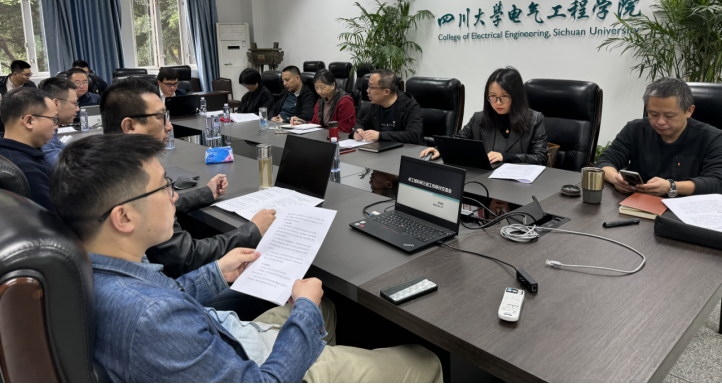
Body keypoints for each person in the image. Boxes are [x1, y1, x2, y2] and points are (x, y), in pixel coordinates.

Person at [51, 133, 443, 384]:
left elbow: (164, 294)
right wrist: (304, 309)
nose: (175, 196)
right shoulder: (152, 319)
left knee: (328, 309)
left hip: (223, 341)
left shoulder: (92, 267)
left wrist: (216, 272)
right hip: (254, 368)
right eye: (164, 188)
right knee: (424, 361)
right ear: (123, 217)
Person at [100, 77, 276, 280]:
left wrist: (206, 193)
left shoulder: (109, 164)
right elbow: (186, 258)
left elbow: (157, 205)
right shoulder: (133, 179)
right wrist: (252, 230)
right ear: (129, 126)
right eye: (161, 117)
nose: (169, 126)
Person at [597, 77, 722, 197]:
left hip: (686, 206)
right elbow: (606, 160)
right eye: (653, 114)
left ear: (689, 111)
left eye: (669, 116)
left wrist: (671, 186)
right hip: (639, 202)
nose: (660, 122)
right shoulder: (635, 129)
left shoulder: (713, 138)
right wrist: (615, 178)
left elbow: (717, 182)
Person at [420, 67, 548, 166]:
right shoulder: (478, 119)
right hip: (484, 181)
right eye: (493, 96)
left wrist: (506, 157)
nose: (498, 102)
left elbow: (541, 158)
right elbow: (457, 141)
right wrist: (440, 149)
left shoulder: (535, 119)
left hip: (519, 185)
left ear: (516, 96)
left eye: (504, 96)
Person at [0, 87, 58, 212]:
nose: (56, 126)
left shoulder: (6, 153)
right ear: (29, 121)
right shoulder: (29, 171)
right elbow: (55, 216)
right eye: (53, 120)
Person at [352, 69, 423, 145]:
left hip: (408, 150)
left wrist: (380, 135)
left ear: (386, 91)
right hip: (382, 149)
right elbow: (362, 123)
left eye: (371, 87)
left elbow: (413, 135)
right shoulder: (376, 105)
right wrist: (357, 131)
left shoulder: (410, 106)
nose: (367, 90)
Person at [291, 69, 356, 133]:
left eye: (322, 87)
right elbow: (315, 123)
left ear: (333, 85)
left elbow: (344, 130)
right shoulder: (321, 100)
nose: (319, 91)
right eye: (316, 87)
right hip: (324, 135)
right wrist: (302, 122)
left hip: (338, 137)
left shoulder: (345, 101)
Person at [38, 78, 80, 167]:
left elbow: (59, 146)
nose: (78, 109)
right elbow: (57, 164)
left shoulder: (52, 124)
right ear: (56, 103)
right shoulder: (44, 127)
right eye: (75, 103)